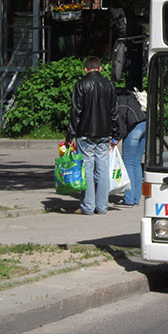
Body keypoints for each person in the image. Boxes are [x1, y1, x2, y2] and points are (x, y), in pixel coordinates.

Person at [66, 56, 117, 215]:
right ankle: (102, 206)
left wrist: (70, 135)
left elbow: (76, 112)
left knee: (87, 169)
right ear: (101, 68)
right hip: (105, 133)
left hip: (85, 133)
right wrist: (115, 133)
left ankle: (88, 206)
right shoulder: (109, 85)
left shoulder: (81, 84)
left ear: (86, 69)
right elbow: (114, 111)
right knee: (102, 169)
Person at [114, 85, 147, 207]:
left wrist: (116, 138)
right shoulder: (131, 97)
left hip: (133, 128)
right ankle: (136, 198)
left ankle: (128, 198)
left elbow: (122, 123)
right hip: (145, 125)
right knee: (136, 163)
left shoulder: (120, 101)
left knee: (128, 162)